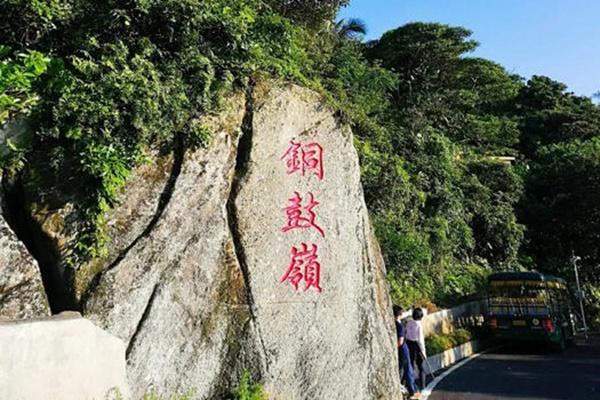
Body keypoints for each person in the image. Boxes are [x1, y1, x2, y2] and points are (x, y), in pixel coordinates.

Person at [393, 305, 417, 398]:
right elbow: (400, 341)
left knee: (400, 370)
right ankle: (411, 391)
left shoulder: (393, 323)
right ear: (400, 314)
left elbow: (403, 315)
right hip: (403, 350)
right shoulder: (400, 326)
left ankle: (405, 389)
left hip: (400, 350)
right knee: (408, 370)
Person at [406, 307, 427, 392]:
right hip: (417, 346)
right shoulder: (419, 325)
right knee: (421, 366)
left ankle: (410, 384)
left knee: (411, 365)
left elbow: (406, 333)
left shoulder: (409, 323)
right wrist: (423, 352)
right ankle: (423, 386)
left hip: (409, 344)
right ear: (421, 316)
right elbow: (420, 340)